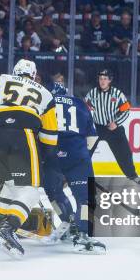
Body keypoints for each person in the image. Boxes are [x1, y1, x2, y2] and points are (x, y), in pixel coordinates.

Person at [0, 59, 58, 257]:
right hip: (23, 133)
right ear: (34, 75)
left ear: (15, 72)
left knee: (9, 185)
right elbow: (50, 137)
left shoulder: (2, 79)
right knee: (31, 190)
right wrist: (44, 156)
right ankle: (8, 230)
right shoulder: (45, 93)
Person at [43, 82, 105, 253]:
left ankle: (68, 221)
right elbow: (93, 138)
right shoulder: (79, 103)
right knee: (85, 199)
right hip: (77, 156)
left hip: (51, 156)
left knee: (52, 192)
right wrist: (83, 159)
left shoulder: (45, 102)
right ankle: (83, 233)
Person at [85, 69, 140, 184]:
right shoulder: (92, 93)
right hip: (96, 128)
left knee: (124, 153)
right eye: (101, 78)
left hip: (114, 129)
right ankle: (79, 174)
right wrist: (88, 121)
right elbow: (85, 107)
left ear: (110, 80)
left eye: (105, 79)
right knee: (84, 152)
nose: (102, 81)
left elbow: (126, 110)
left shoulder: (117, 93)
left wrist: (116, 123)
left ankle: (132, 175)